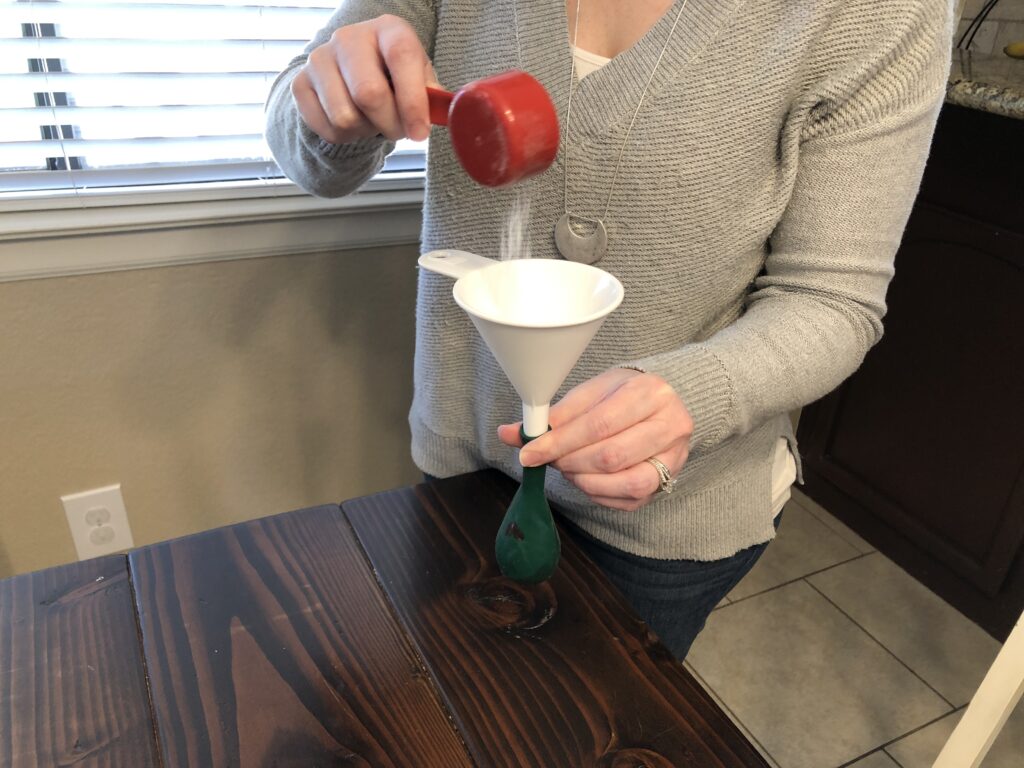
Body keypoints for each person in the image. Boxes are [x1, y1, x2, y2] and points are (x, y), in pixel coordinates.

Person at [265, 0, 953, 660]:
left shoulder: (877, 11)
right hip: (461, 467)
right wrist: (332, 105)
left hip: (663, 525)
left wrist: (694, 393)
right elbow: (297, 130)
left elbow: (830, 298)